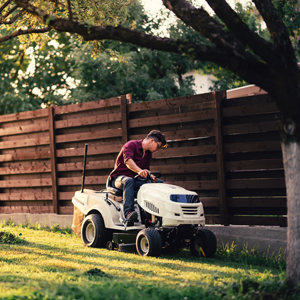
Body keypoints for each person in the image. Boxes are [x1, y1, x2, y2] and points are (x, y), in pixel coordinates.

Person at [109, 130, 167, 222]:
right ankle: (129, 213)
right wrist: (140, 171)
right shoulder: (131, 145)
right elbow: (128, 162)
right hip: (118, 179)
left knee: (158, 184)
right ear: (152, 141)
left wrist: (151, 176)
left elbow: (145, 171)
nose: (158, 149)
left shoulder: (148, 154)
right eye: (158, 146)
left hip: (134, 179)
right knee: (129, 181)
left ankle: (154, 216)